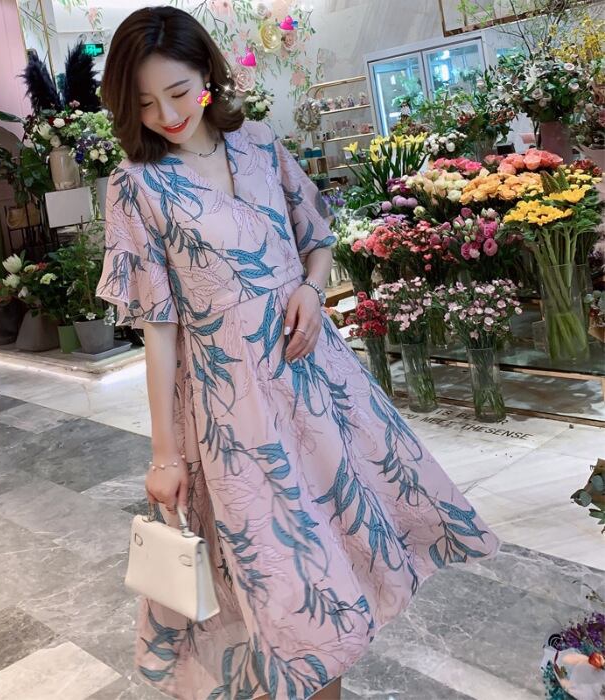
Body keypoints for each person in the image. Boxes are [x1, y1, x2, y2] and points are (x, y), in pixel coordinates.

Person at [97, 7, 500, 699]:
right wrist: (165, 455)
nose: (167, 114)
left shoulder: (258, 144)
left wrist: (312, 291)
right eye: (145, 103)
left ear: (208, 77)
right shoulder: (136, 185)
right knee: (285, 587)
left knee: (340, 568)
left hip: (313, 383)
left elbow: (316, 239)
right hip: (234, 412)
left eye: (179, 91)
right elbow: (158, 329)